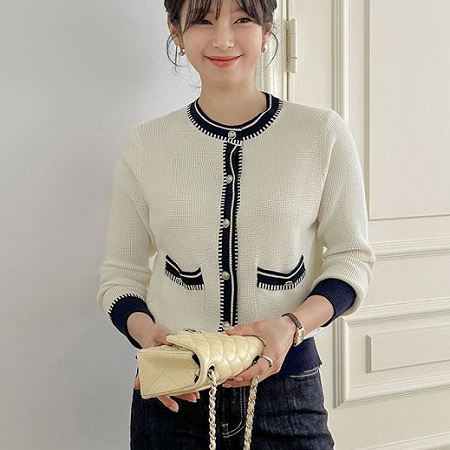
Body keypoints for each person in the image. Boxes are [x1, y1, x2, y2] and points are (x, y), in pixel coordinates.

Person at [96, 0, 376, 448]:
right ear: (175, 30)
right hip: (174, 391)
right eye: (203, 20)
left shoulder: (320, 134)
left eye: (242, 19)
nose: (224, 39)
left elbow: (351, 259)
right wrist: (149, 337)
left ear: (267, 29)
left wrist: (293, 325)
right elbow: (120, 276)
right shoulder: (145, 145)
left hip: (287, 390)